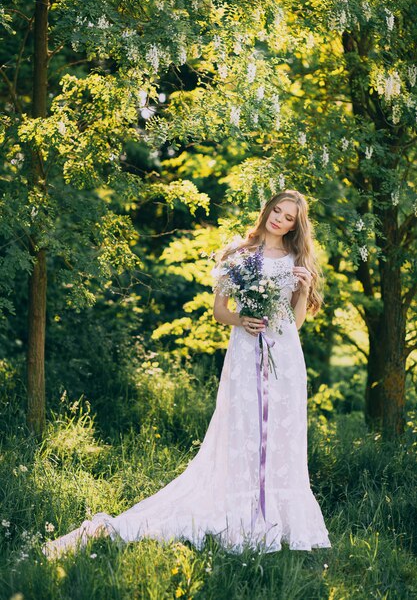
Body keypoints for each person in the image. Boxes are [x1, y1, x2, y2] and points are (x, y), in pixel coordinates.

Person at [43, 189, 331, 559]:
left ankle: (280, 514)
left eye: (288, 217)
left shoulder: (295, 259)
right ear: (267, 210)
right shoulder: (238, 254)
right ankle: (243, 509)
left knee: (281, 431)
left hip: (284, 355)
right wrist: (242, 320)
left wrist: (303, 290)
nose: (279, 219)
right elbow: (219, 311)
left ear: (296, 224)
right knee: (243, 428)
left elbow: (294, 323)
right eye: (276, 210)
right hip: (245, 350)